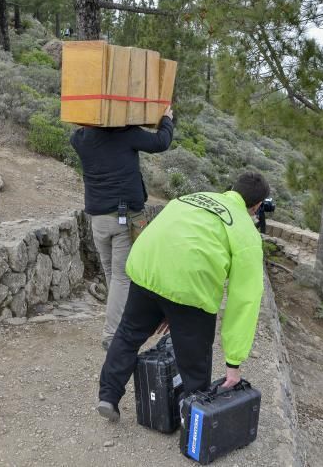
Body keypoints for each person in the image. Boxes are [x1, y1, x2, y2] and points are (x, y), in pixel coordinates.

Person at [96, 172, 270, 422]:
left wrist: (164, 304)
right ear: (257, 206)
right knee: (194, 360)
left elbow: (168, 236)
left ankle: (108, 396)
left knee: (128, 334)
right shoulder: (245, 230)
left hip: (147, 271)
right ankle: (193, 420)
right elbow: (245, 299)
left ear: (230, 188)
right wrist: (234, 361)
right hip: (190, 289)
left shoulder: (191, 198)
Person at [71, 107, 175, 351]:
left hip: (98, 220)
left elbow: (80, 129)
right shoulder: (127, 134)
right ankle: (112, 333)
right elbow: (161, 142)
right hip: (124, 218)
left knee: (112, 273)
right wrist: (167, 119)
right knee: (121, 276)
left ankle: (120, 321)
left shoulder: (80, 139)